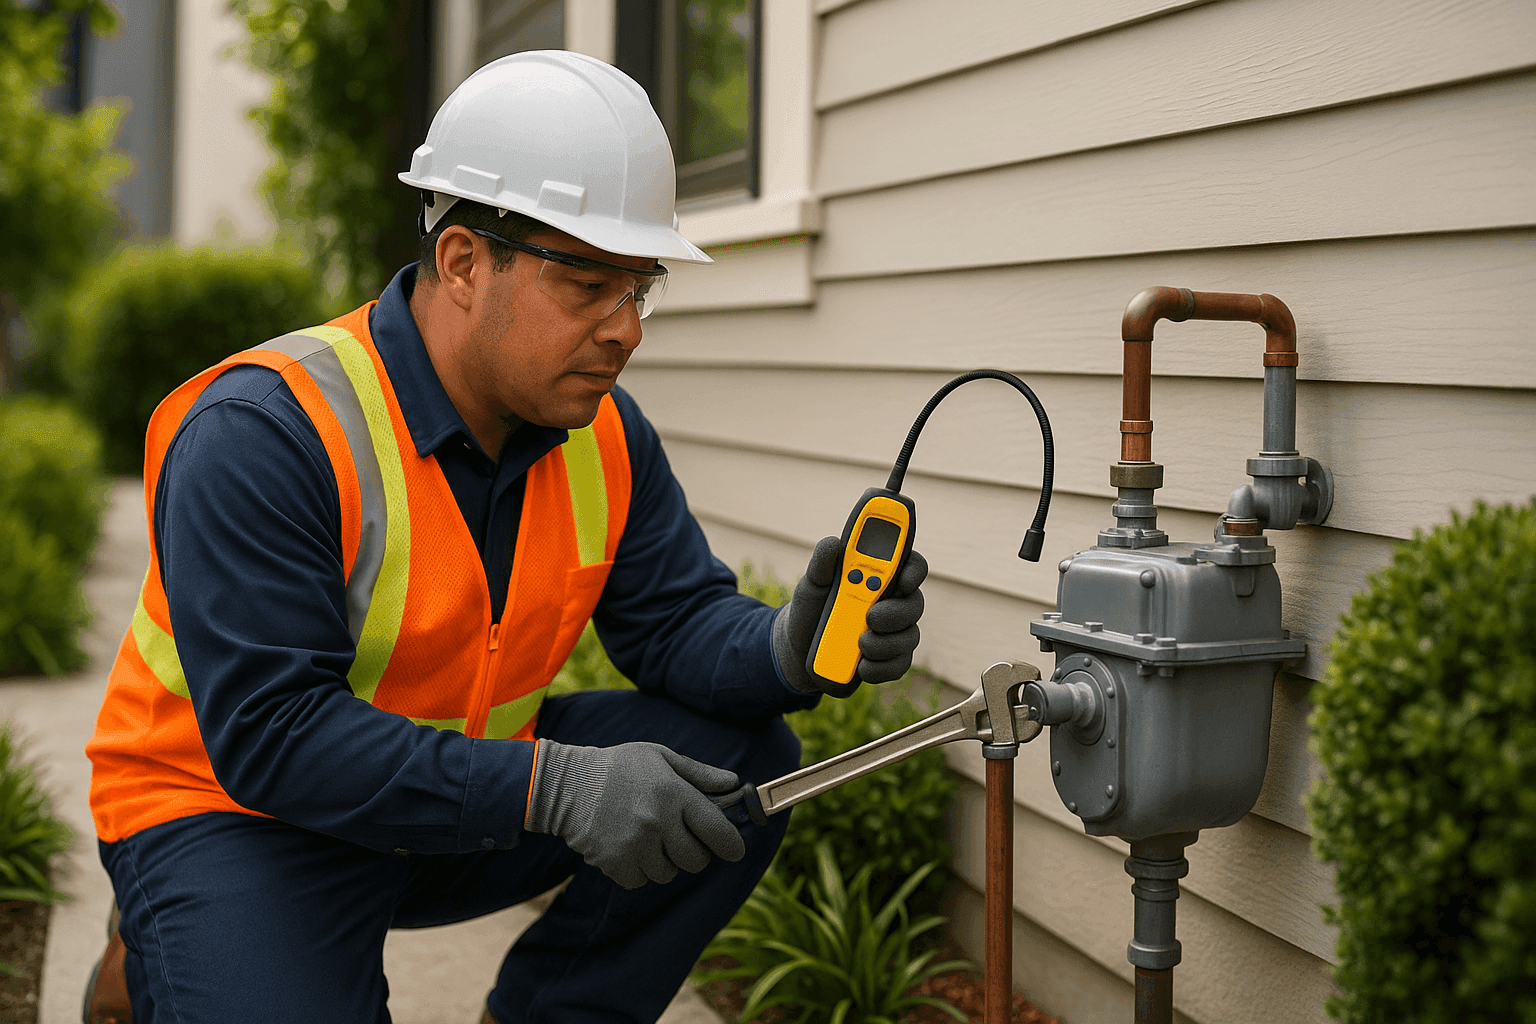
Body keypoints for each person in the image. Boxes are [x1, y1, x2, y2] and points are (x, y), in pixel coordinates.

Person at [81, 50, 926, 1024]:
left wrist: (791, 644)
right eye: (589, 286)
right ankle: (160, 953)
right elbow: (273, 736)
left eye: (639, 289)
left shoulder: (600, 431)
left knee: (736, 767)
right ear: (463, 262)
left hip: (445, 796)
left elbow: (674, 621)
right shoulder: (267, 433)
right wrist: (554, 785)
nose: (626, 331)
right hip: (236, 816)